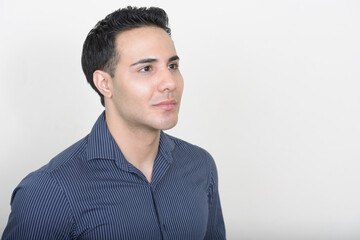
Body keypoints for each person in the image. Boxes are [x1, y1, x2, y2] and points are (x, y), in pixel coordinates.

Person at [2, 6, 225, 240]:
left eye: (172, 66)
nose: (169, 82)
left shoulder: (200, 165)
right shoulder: (48, 191)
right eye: (146, 68)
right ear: (105, 84)